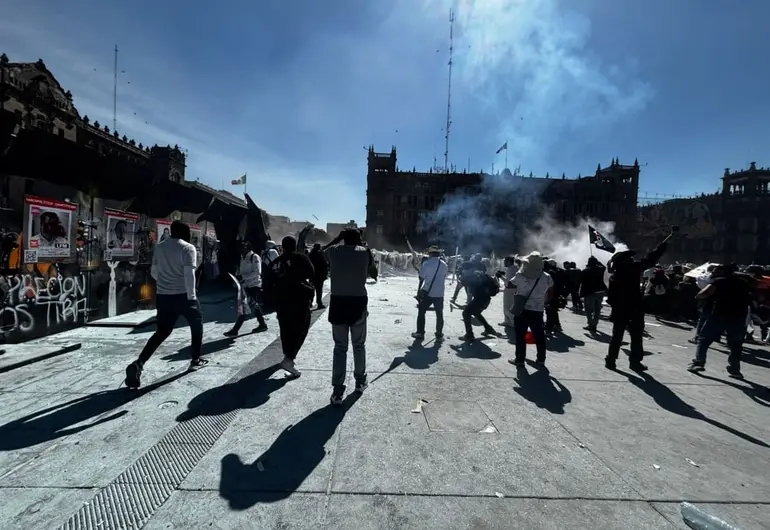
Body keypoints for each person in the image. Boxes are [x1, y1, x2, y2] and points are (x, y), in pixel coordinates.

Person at [124, 221, 206, 389]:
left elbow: (154, 271)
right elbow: (189, 274)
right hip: (183, 295)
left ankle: (139, 363)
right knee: (196, 325)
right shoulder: (188, 248)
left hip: (164, 296)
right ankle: (195, 359)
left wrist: (165, 284)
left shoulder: (160, 247)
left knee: (161, 332)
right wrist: (191, 297)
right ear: (185, 233)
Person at [605, 231, 671, 371]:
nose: (633, 260)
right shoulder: (632, 270)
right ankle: (635, 362)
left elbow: (610, 298)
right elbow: (650, 259)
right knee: (636, 337)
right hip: (634, 309)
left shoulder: (614, 276)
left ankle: (611, 360)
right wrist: (662, 246)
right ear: (625, 261)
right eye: (630, 258)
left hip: (619, 311)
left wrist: (617, 307)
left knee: (617, 336)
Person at [322, 229, 371, 405]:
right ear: (359, 240)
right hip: (358, 303)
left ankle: (337, 392)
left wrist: (337, 238)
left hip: (338, 304)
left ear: (343, 239)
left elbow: (321, 252)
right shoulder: (365, 252)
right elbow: (372, 270)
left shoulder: (333, 252)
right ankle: (360, 382)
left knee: (340, 347)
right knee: (359, 345)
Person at [687, 264, 752, 379]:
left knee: (704, 338)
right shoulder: (744, 283)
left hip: (719, 314)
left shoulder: (719, 281)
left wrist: (697, 297)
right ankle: (735, 369)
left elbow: (703, 293)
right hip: (738, 317)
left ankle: (698, 362)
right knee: (736, 345)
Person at [266, 235, 315, 377]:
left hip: (281, 302)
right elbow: (311, 274)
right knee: (300, 329)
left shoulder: (276, 262)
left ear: (283, 246)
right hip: (299, 301)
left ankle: (288, 356)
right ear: (294, 246)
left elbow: (268, 281)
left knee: (286, 330)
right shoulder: (302, 258)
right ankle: (289, 359)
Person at [509, 251, 553, 367]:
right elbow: (550, 291)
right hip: (538, 310)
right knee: (539, 336)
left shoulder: (520, 275)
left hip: (522, 309)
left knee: (520, 336)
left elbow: (510, 284)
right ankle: (541, 359)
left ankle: (519, 359)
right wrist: (545, 301)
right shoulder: (546, 277)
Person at [224, 241, 268, 337]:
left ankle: (235, 330)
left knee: (244, 306)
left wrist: (243, 277)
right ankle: (262, 324)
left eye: (243, 248)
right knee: (254, 306)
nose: (242, 250)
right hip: (246, 286)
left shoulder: (254, 257)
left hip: (254, 285)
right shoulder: (242, 257)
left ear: (248, 248)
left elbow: (257, 272)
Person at [412, 245, 448, 340]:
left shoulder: (426, 264)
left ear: (430, 253)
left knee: (421, 311)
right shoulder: (444, 264)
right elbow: (444, 276)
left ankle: (420, 332)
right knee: (439, 314)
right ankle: (439, 334)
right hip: (440, 293)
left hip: (428, 292)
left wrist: (419, 290)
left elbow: (422, 278)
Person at [460, 270, 500, 341]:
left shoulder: (470, 278)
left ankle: (469, 335)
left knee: (466, 313)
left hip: (479, 300)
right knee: (476, 313)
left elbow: (469, 291)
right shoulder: (482, 275)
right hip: (486, 299)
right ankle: (488, 329)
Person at [580, 256, 607, 333]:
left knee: (588, 309)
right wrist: (598, 262)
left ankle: (591, 325)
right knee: (597, 309)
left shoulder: (585, 270)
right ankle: (594, 324)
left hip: (590, 292)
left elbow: (581, 281)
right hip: (600, 292)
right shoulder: (600, 269)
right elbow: (603, 266)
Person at [500, 256, 519, 328]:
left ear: (509, 261)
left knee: (508, 306)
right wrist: (503, 274)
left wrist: (501, 277)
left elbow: (509, 282)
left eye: (505, 261)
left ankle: (511, 322)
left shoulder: (511, 269)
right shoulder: (514, 268)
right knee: (507, 305)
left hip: (510, 290)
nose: (504, 262)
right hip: (511, 289)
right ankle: (507, 320)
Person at [308, 243, 329, 309]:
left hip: (312, 275)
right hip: (319, 275)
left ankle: (310, 303)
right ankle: (319, 303)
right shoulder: (321, 254)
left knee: (311, 290)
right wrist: (325, 274)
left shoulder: (310, 254)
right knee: (319, 290)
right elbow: (324, 264)